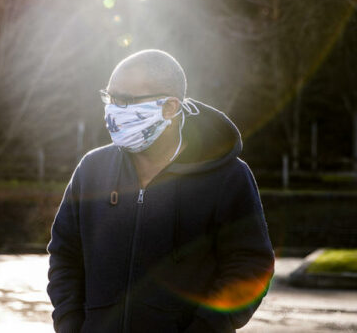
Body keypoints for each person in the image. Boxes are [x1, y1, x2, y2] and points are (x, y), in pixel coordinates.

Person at [46, 49, 275, 333]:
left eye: (126, 100)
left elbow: (251, 266)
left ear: (170, 107)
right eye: (110, 98)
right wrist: (70, 325)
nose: (113, 110)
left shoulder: (228, 177)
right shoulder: (92, 170)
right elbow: (65, 254)